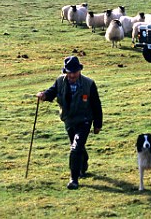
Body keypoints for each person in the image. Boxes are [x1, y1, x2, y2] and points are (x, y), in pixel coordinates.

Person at [37, 56, 103, 190]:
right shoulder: (60, 81)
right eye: (70, 72)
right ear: (66, 72)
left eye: (75, 72)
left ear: (79, 71)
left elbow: (96, 105)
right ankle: (83, 165)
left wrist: (97, 124)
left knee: (75, 147)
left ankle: (74, 178)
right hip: (69, 120)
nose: (72, 75)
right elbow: (52, 92)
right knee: (77, 145)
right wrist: (43, 95)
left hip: (84, 120)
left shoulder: (89, 84)